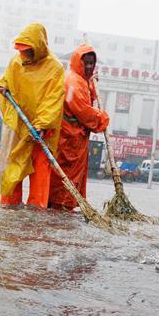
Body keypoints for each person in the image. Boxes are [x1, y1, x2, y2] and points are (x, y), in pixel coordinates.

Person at [0, 23, 65, 207]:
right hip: (19, 128)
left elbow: (53, 100)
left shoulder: (55, 68)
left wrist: (41, 124)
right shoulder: (15, 62)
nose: (24, 54)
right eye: (21, 50)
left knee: (40, 176)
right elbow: (6, 81)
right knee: (12, 170)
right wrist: (3, 87)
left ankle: (36, 213)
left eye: (28, 50)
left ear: (39, 46)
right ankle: (9, 207)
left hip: (42, 132)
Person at [48, 44, 110, 210]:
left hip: (75, 141)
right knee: (65, 181)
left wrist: (91, 83)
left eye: (92, 63)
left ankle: (61, 209)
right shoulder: (73, 82)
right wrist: (102, 118)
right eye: (86, 63)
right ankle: (60, 212)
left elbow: (87, 98)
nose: (89, 66)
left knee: (68, 180)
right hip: (69, 142)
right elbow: (84, 111)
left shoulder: (79, 79)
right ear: (77, 62)